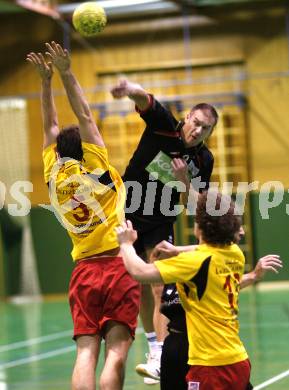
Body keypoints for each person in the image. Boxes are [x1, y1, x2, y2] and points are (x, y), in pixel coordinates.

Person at [26, 42, 140, 390]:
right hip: (119, 265)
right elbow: (86, 116)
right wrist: (65, 72)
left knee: (85, 354)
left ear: (58, 153)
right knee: (116, 354)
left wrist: (44, 84)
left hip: (84, 271)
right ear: (86, 149)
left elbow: (50, 127)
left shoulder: (54, 177)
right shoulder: (98, 169)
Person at [111, 79, 218, 383]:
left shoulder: (203, 160)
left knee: (158, 283)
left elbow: (198, 204)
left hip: (161, 218)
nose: (197, 131)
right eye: (196, 123)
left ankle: (158, 355)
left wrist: (184, 179)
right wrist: (127, 87)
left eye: (205, 129)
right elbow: (145, 99)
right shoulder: (165, 126)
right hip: (129, 210)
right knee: (139, 284)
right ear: (187, 119)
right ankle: (151, 344)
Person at [116, 191, 261, 390]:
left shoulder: (192, 263)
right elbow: (204, 250)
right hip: (237, 357)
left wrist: (126, 244)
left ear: (199, 227)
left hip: (210, 364)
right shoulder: (235, 254)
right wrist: (177, 250)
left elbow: (139, 272)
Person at [150, 234, 283, 389]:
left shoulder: (216, 260)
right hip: (176, 349)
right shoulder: (179, 267)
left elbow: (229, 284)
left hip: (207, 347)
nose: (241, 233)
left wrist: (253, 276)